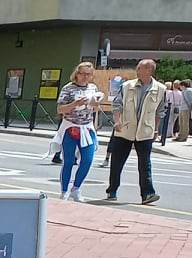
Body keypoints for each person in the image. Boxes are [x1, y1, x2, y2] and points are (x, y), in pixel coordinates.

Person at [99, 59, 166, 205]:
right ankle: (112, 190)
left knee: (145, 164)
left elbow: (160, 111)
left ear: (149, 70)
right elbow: (117, 104)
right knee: (117, 162)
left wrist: (156, 129)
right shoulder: (127, 85)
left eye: (140, 68)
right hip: (125, 128)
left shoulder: (160, 89)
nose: (137, 70)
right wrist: (117, 121)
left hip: (145, 131)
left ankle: (147, 194)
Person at [54, 62, 102, 201]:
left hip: (87, 128)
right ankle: (64, 191)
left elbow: (96, 108)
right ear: (77, 74)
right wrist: (75, 104)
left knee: (87, 159)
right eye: (82, 74)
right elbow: (60, 109)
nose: (85, 77)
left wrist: (95, 103)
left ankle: (76, 188)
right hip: (71, 127)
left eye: (88, 74)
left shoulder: (93, 88)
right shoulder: (68, 88)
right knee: (68, 161)